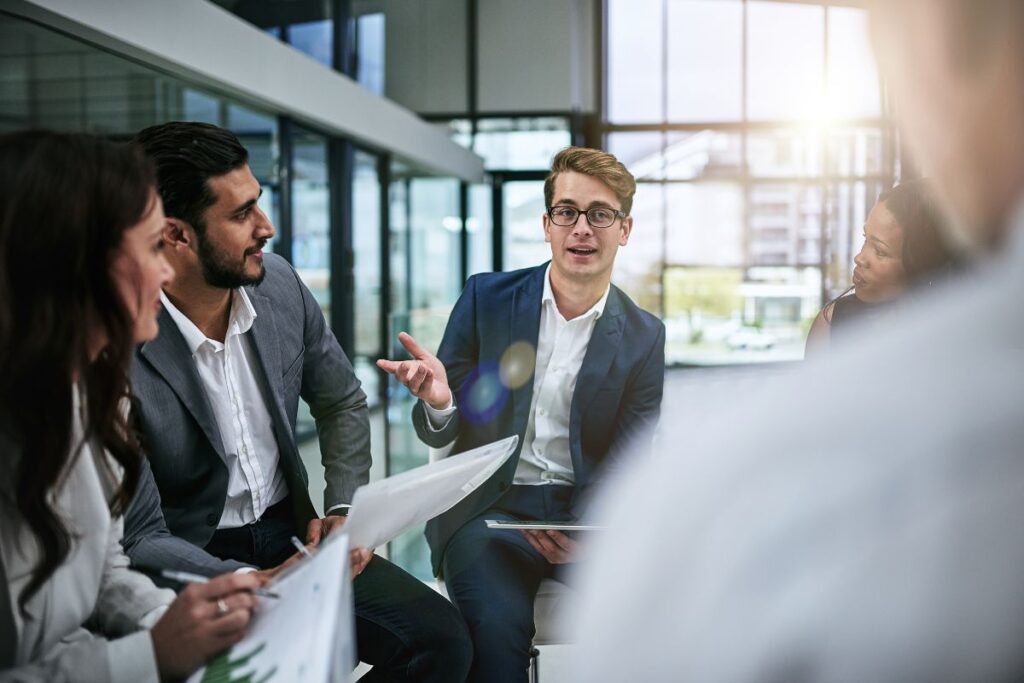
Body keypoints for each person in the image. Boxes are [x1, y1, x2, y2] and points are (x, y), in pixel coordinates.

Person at [569, 1, 1024, 680]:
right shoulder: (836, 340)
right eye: (568, 215)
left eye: (601, 216)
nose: (862, 261)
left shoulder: (734, 509)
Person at [125, 121, 471, 681]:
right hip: (191, 557)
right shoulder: (122, 339)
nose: (267, 227)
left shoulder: (279, 284)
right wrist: (250, 581)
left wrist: (342, 511)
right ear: (176, 235)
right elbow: (139, 535)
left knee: (441, 639)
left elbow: (342, 402)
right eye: (241, 215)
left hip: (296, 533)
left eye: (258, 203)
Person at [378, 146, 666, 681]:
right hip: (491, 512)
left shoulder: (645, 335)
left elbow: (631, 457)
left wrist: (590, 534)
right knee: (493, 642)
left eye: (600, 214)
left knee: (660, 626)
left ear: (624, 229)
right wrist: (441, 402)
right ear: (547, 223)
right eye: (567, 212)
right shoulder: (487, 298)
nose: (582, 228)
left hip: (586, 515)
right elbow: (444, 423)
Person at [0, 131, 263, 682]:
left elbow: (104, 570)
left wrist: (183, 624)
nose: (167, 272)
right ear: (77, 267)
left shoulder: (93, 395)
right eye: (150, 248)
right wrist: (147, 657)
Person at [805, 178, 956, 356]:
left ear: (919, 266)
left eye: (880, 251)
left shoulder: (953, 336)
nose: (859, 258)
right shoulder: (830, 323)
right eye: (865, 238)